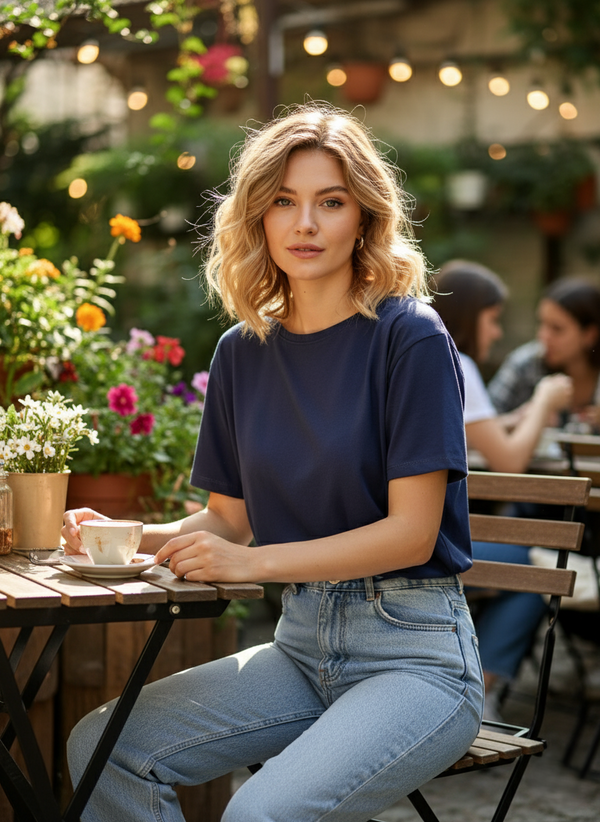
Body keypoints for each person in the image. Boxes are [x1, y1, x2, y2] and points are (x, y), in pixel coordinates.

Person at [62, 104, 483, 822]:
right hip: (299, 646)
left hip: (415, 654)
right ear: (257, 217)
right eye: (283, 202)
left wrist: (254, 566)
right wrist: (128, 536)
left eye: (331, 201)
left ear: (365, 217)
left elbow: (412, 534)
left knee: (259, 813)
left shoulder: (408, 336)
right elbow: (232, 520)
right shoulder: (242, 352)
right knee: (104, 747)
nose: (305, 224)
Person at [433, 260, 572, 721]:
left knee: (531, 556)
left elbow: (482, 433)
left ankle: (471, 685)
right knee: (538, 564)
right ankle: (479, 694)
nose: (495, 333)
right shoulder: (458, 360)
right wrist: (545, 402)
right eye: (492, 319)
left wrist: (522, 415)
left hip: (407, 529)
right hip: (432, 537)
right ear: (470, 316)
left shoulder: (420, 354)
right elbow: (509, 459)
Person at [488, 277, 600, 432]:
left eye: (556, 328)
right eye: (542, 323)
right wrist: (521, 418)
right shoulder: (525, 364)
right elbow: (480, 427)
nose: (543, 336)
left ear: (590, 335)